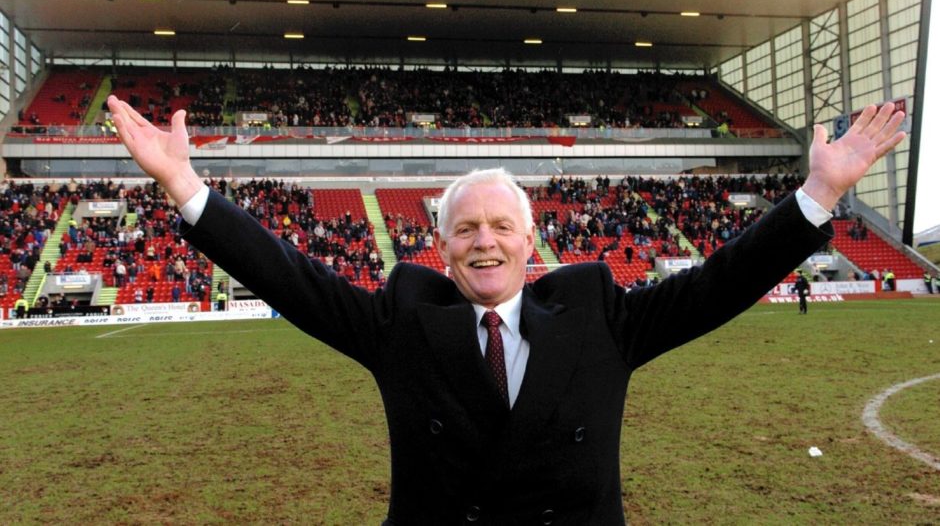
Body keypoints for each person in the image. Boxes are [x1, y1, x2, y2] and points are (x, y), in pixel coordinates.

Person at [107, 94, 905, 525]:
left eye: (500, 227)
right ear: (441, 247)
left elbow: (719, 284)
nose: (483, 243)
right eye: (465, 231)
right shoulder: (400, 322)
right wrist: (186, 188)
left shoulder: (598, 314)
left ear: (532, 240)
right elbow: (291, 278)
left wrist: (821, 193)